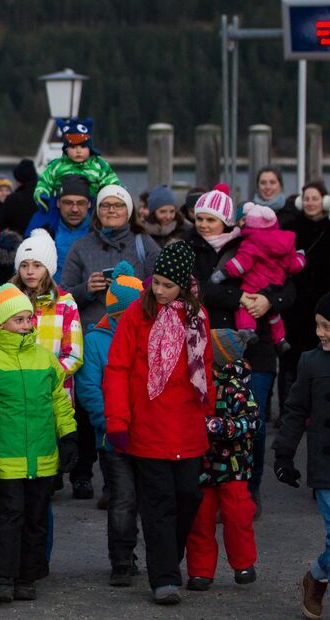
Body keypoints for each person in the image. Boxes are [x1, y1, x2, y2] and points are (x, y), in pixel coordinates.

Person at [104, 241, 216, 605]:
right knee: (158, 504)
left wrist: (209, 418)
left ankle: (168, 556)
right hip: (147, 426)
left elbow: (206, 372)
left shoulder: (197, 317)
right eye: (157, 283)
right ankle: (164, 577)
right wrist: (117, 420)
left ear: (184, 284)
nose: (160, 290)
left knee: (189, 497)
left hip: (187, 426)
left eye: (169, 285)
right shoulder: (137, 314)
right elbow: (118, 369)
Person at [0, 284, 77, 603]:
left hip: (42, 456)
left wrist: (68, 435)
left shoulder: (45, 358)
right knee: (7, 516)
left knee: (36, 517)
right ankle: (1, 577)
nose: (27, 324)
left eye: (29, 318)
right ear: (0, 324)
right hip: (6, 457)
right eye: (19, 320)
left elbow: (60, 400)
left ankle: (28, 575)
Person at [186, 187, 294, 518]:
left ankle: (251, 488)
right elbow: (197, 290)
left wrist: (268, 301)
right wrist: (240, 297)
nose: (204, 225)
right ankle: (214, 485)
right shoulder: (188, 248)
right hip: (208, 346)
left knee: (253, 422)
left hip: (255, 347)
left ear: (226, 221)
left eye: (211, 220)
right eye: (200, 218)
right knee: (211, 420)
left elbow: (287, 286)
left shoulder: (248, 242)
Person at [75, 262, 144, 585]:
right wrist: (107, 422)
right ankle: (121, 559)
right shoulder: (97, 341)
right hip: (112, 437)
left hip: (149, 434)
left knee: (150, 500)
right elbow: (89, 389)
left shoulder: (149, 333)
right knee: (123, 499)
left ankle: (141, 554)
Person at [11, 229, 86, 492]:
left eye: (37, 265)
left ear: (49, 269)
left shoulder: (66, 304)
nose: (30, 271)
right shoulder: (10, 302)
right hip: (16, 391)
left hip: (52, 393)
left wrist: (45, 376)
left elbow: (73, 354)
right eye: (24, 265)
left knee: (45, 468)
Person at [185, 328, 259, 592]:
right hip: (202, 462)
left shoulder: (237, 387)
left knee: (237, 515)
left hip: (233, 465)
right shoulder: (195, 379)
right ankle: (200, 570)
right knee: (200, 519)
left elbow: (251, 422)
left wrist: (220, 426)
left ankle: (243, 563)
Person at [272, 293, 330, 619]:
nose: (321, 333)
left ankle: (317, 576)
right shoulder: (311, 362)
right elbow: (294, 411)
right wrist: (283, 454)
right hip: (326, 468)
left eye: (327, 327)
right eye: (319, 326)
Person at [61, 184, 160, 330]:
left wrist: (131, 286)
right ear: (97, 211)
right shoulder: (81, 247)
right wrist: (87, 289)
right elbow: (63, 297)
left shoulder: (144, 243)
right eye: (105, 205)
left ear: (129, 212)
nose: (112, 210)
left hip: (135, 329)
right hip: (92, 333)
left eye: (118, 205)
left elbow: (160, 287)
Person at [210, 202, 305, 354]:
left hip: (260, 342)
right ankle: (280, 339)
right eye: (241, 219)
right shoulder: (282, 242)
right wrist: (301, 257)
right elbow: (294, 265)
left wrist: (269, 301)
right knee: (274, 317)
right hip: (273, 286)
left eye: (247, 219)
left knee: (246, 309)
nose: (244, 223)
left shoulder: (250, 243)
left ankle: (248, 330)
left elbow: (240, 265)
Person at [278, 181, 330, 420]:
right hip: (294, 303)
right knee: (290, 358)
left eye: (315, 198)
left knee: (320, 356)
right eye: (307, 198)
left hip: (323, 304)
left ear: (325, 201)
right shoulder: (290, 228)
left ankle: (319, 410)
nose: (310, 203)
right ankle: (289, 411)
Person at [33, 117, 119, 212]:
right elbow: (44, 182)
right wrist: (42, 195)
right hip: (61, 210)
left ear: (90, 148)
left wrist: (117, 194)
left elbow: (112, 184)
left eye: (83, 146)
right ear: (66, 149)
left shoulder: (99, 165)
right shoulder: (57, 166)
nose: (78, 151)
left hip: (93, 210)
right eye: (73, 147)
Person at [27, 175, 93, 283]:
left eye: (81, 203)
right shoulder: (43, 234)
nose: (75, 209)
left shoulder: (100, 235)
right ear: (58, 203)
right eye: (68, 203)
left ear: (89, 204)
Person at [0, 159, 38, 236]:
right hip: (43, 241)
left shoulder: (13, 199)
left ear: (19, 180)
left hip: (19, 243)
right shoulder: (44, 195)